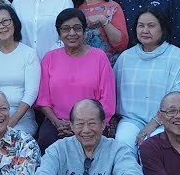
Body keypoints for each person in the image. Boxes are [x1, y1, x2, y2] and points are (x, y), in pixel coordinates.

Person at [33, 8, 117, 152]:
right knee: (46, 142)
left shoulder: (99, 58)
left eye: (77, 28)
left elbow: (107, 101)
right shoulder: (50, 58)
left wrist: (82, 126)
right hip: (57, 123)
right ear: (59, 33)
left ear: (84, 31)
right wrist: (57, 122)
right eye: (65, 29)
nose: (72, 33)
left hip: (90, 124)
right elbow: (43, 99)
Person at [113, 7, 180, 149]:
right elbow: (112, 92)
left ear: (162, 29)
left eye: (151, 26)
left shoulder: (176, 57)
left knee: (151, 145)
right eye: (141, 26)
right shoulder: (126, 57)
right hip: (131, 120)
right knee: (122, 142)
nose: (145, 30)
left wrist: (154, 123)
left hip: (169, 120)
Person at [0, 4, 40, 137]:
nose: (2, 26)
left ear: (14, 23)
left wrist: (10, 123)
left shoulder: (29, 54)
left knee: (12, 140)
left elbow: (31, 93)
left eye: (5, 21)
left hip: (21, 118)